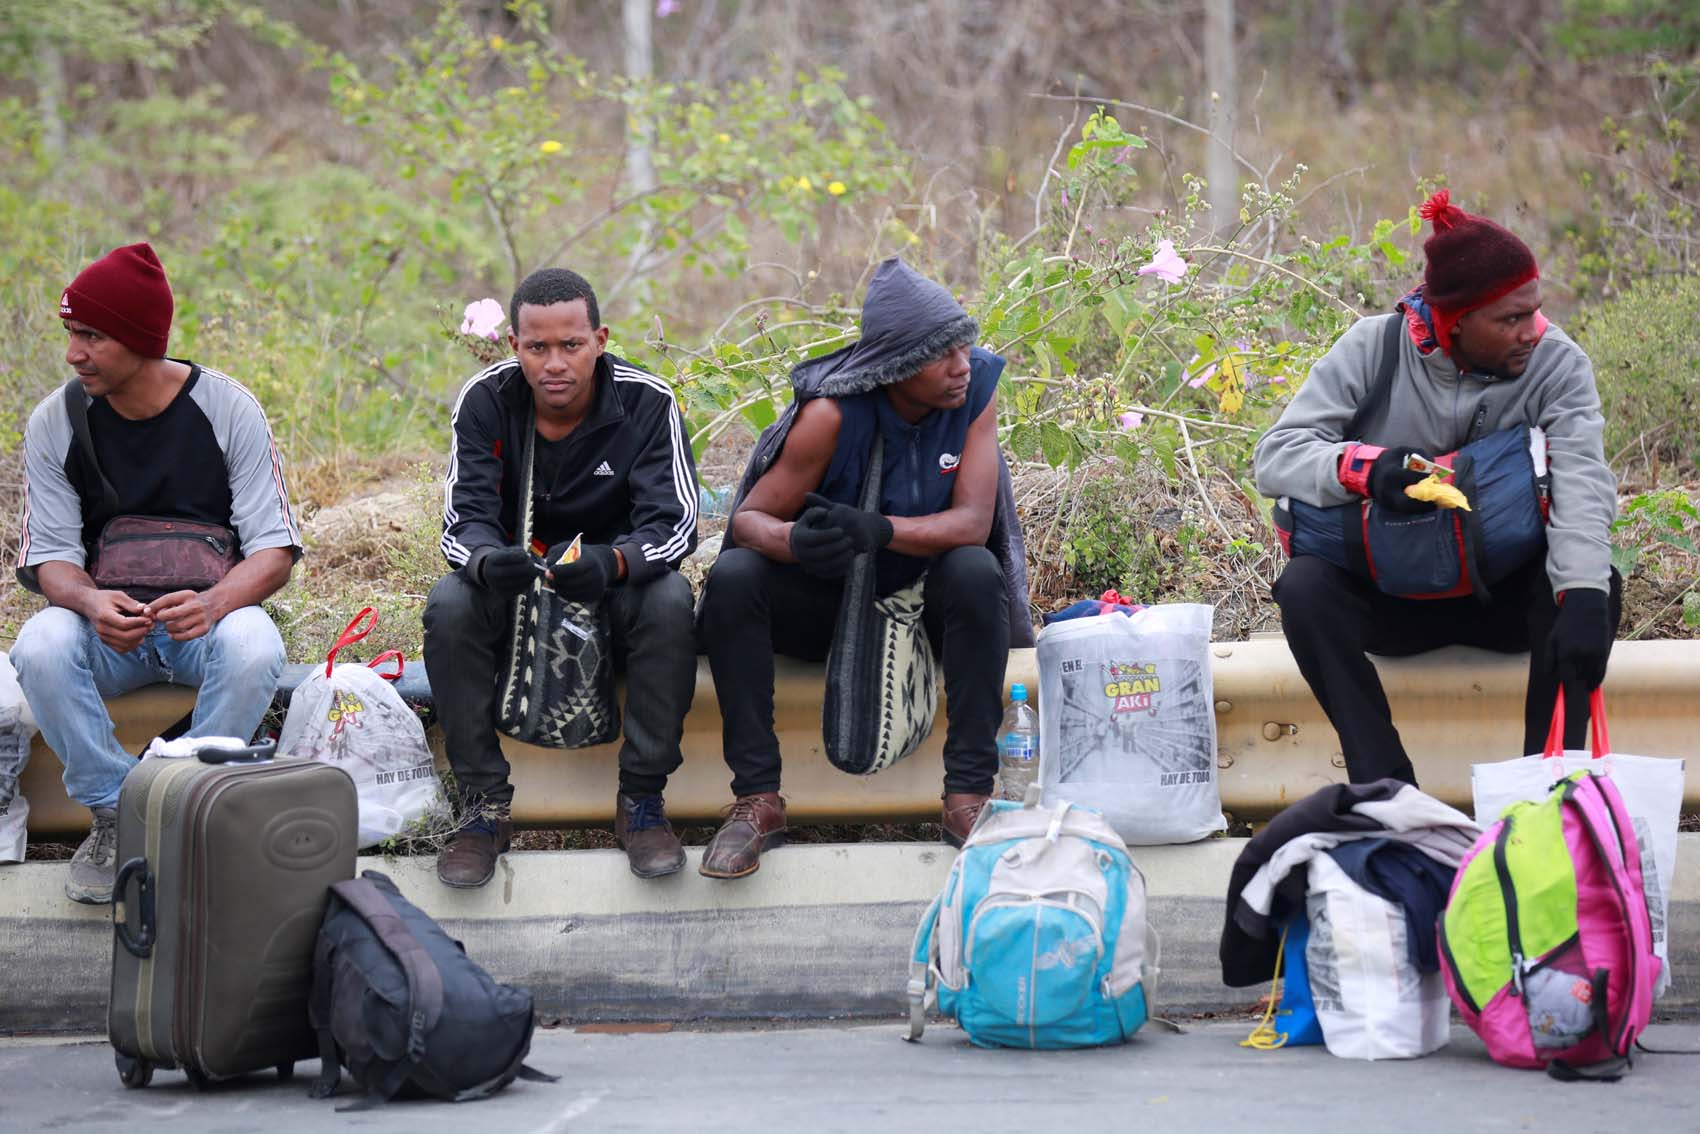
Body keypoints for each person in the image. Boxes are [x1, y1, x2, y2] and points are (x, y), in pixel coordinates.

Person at [1254, 191, 1620, 786]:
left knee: (1594, 584)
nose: (1533, 331)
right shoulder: (1373, 347)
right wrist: (1366, 469)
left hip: (1499, 599)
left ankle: (1542, 792)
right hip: (1393, 606)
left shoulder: (1557, 363)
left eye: (1535, 310)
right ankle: (1389, 792)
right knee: (1303, 588)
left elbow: (1583, 481)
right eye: (1510, 319)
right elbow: (1275, 457)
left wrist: (1582, 594)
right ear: (1456, 321)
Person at [696, 257, 1023, 878]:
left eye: (964, 347)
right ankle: (757, 801)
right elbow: (747, 521)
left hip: (917, 606)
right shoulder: (832, 414)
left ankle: (969, 796)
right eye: (941, 355)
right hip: (827, 606)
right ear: (895, 367)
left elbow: (973, 522)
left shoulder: (974, 390)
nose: (961, 365)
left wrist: (881, 531)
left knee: (976, 572)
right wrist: (797, 543)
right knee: (736, 579)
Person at [12, 243, 301, 903]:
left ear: (142, 339)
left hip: (207, 630)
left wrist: (216, 602)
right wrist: (89, 602)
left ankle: (183, 808)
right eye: (70, 334)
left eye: (91, 336)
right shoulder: (57, 421)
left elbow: (273, 551)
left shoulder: (228, 409)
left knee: (256, 643)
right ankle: (116, 811)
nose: (73, 353)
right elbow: (50, 557)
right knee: (39, 644)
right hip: (108, 638)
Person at [427, 267, 698, 887]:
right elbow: (462, 522)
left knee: (669, 599)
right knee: (450, 603)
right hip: (517, 587)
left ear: (599, 339)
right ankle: (483, 809)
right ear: (513, 346)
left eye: (571, 345)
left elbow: (675, 524)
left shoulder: (647, 401)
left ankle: (642, 804)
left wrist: (614, 562)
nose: (555, 363)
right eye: (536, 347)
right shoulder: (487, 400)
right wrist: (490, 562)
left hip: (614, 587)